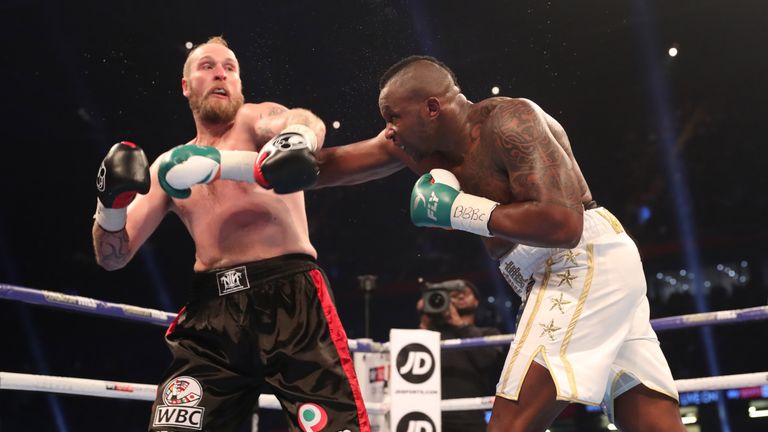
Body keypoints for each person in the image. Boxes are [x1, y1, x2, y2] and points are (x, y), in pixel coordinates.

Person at [315, 55, 686, 431]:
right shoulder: (415, 147)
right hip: (563, 273)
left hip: (579, 264)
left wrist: (459, 210)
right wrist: (280, 159)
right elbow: (329, 166)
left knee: (509, 425)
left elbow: (563, 224)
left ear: (432, 108)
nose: (389, 131)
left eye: (393, 117)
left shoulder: (510, 121)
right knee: (653, 424)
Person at [92, 36, 370, 432]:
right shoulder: (167, 167)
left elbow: (303, 122)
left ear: (239, 83)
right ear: (186, 85)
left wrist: (298, 138)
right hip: (212, 317)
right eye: (207, 66)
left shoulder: (256, 121)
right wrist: (110, 205)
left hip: (289, 297)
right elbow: (113, 256)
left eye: (230, 68)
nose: (220, 73)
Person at [417, 280, 506, 432]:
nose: (460, 296)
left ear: (476, 301)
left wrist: (459, 324)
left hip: (471, 420)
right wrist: (425, 320)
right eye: (454, 295)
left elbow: (487, 360)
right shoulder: (433, 335)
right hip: (432, 419)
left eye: (466, 293)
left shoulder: (489, 333)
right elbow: (415, 360)